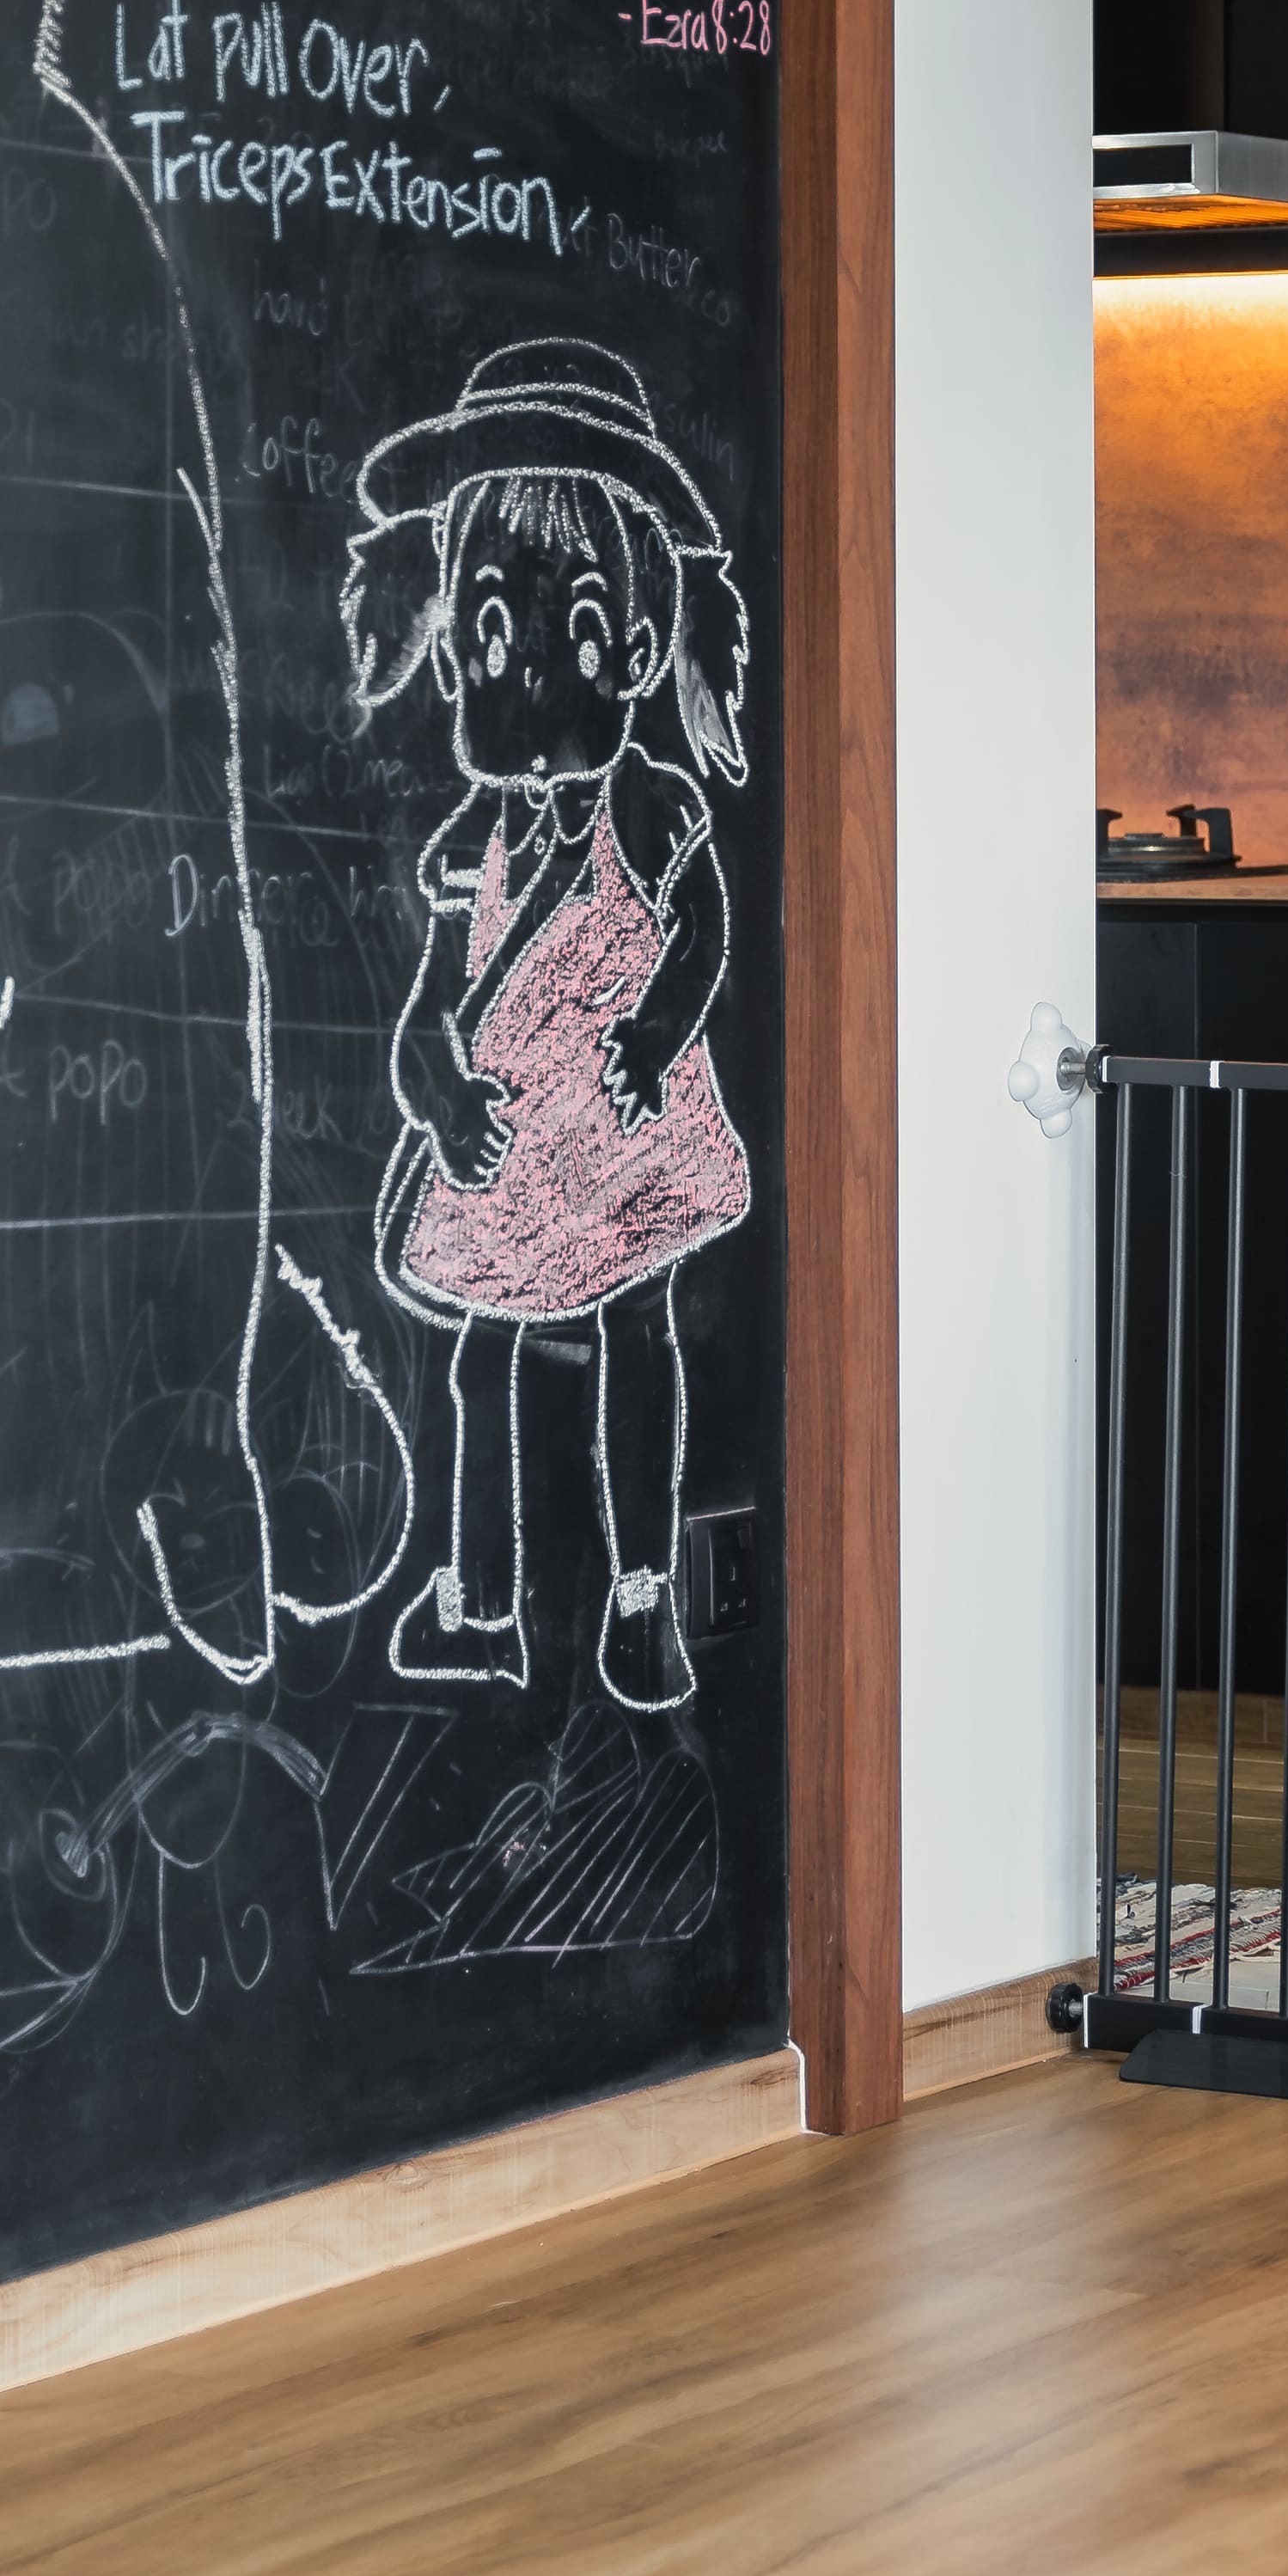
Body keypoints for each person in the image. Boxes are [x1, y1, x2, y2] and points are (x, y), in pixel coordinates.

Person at [343, 339, 750, 1714]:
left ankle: (640, 1602)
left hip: (620, 1134)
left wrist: (652, 1036)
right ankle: (477, 1597)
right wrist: (442, 1096)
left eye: (568, 632)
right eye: (492, 635)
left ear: (631, 646)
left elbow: (702, 937)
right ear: (457, 643)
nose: (522, 684)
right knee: (481, 1351)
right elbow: (428, 1011)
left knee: (638, 1331)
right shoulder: (473, 843)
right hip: (514, 1144)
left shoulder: (648, 809)